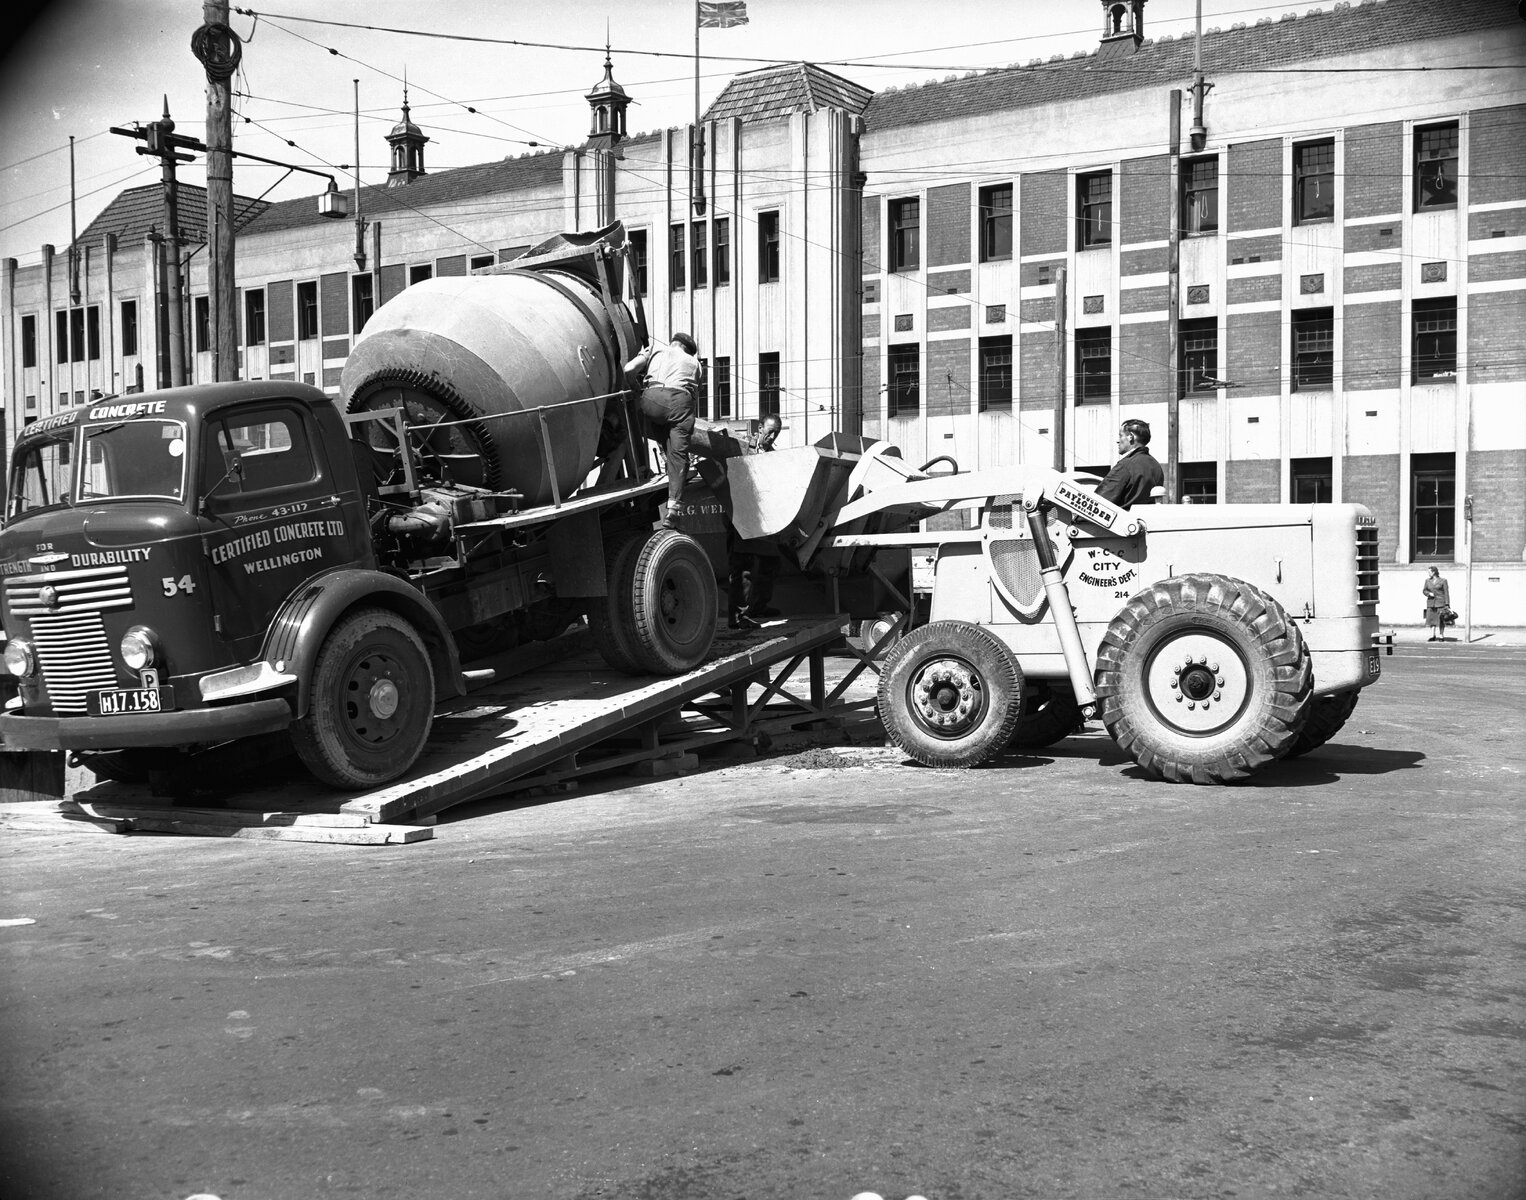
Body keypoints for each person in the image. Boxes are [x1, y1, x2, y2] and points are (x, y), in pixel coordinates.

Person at [624, 333, 704, 528]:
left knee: (660, 426)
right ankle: (673, 510)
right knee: (679, 455)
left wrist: (636, 388)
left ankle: (664, 453)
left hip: (650, 400)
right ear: (688, 350)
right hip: (679, 402)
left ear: (673, 343)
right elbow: (696, 392)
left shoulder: (654, 350)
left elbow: (628, 369)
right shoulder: (694, 363)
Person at [727, 414, 783, 629]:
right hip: (739, 516)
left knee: (771, 562)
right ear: (760, 428)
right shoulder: (741, 446)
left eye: (776, 433)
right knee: (742, 568)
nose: (772, 436)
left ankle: (758, 606)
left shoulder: (772, 455)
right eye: (770, 432)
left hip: (759, 517)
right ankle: (738, 617)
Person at [1096, 418, 1165, 509]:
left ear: (1131, 437)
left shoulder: (1125, 466)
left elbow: (1097, 502)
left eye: (1121, 436)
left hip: (1121, 521)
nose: (1118, 440)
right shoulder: (1156, 467)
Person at [1422, 565, 1451, 642]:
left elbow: (1446, 593)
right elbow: (1424, 590)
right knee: (1431, 620)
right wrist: (1428, 593)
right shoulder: (1427, 581)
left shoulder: (1443, 581)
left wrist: (1447, 604)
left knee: (1441, 620)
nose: (1428, 573)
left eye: (1429, 572)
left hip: (1440, 603)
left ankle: (1441, 636)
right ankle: (1433, 635)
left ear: (1434, 572)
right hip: (1431, 603)